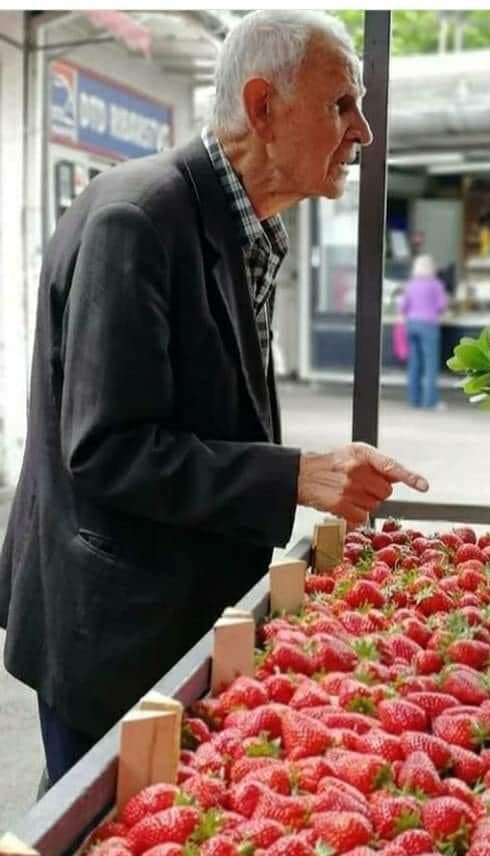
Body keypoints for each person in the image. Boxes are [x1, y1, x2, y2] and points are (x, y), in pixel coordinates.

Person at [0, 9, 428, 788]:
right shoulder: (139, 219)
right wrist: (294, 474)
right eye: (341, 105)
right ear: (262, 108)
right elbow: (107, 449)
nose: (362, 132)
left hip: (170, 608)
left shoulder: (240, 223)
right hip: (111, 627)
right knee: (91, 844)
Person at [401, 253, 448, 409]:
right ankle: (430, 401)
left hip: (411, 324)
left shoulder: (410, 284)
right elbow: (441, 306)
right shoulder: (436, 284)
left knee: (414, 364)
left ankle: (413, 400)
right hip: (428, 324)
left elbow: (403, 307)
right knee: (430, 365)